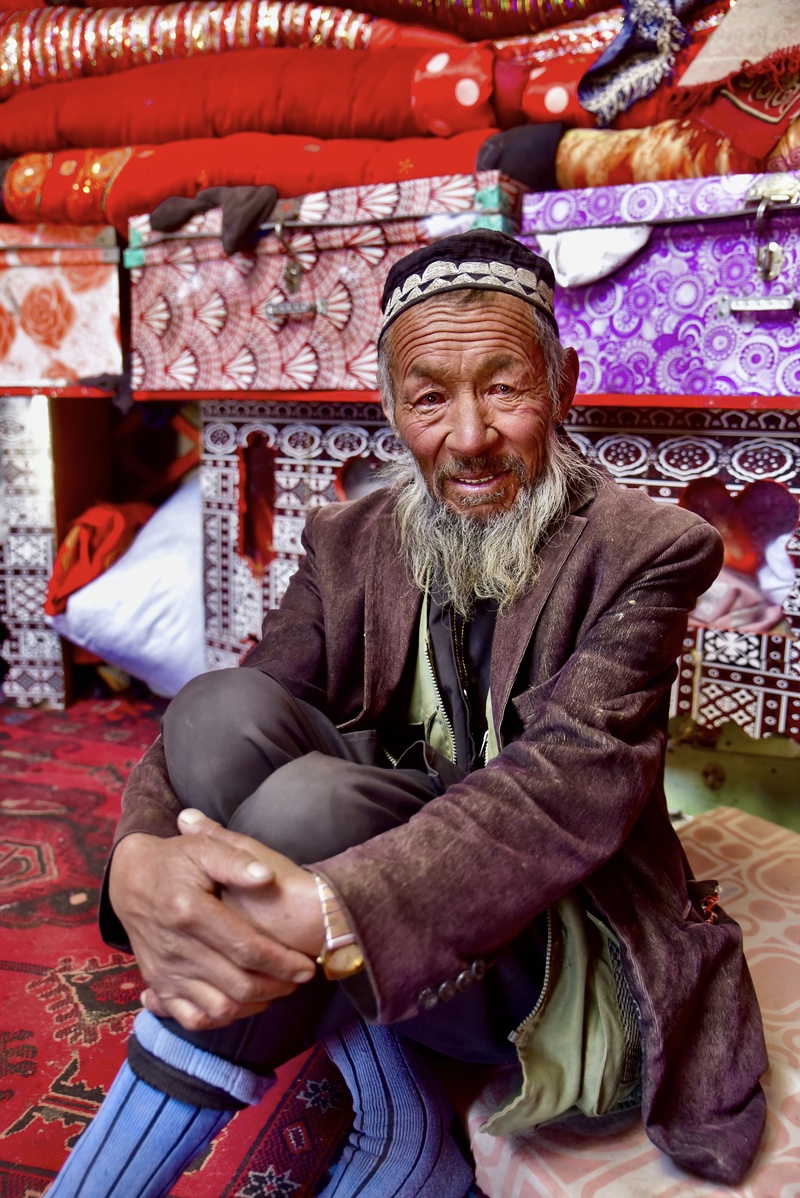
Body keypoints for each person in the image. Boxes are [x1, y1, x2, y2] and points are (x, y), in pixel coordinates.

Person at [48, 230, 766, 1197]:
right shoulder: (353, 539)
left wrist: (323, 900)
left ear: (565, 382)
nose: (468, 436)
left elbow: (561, 794)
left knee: (306, 816)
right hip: (408, 892)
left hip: (564, 940)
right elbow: (256, 697)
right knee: (217, 713)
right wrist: (137, 861)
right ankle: (402, 1117)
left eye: (504, 388)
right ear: (391, 409)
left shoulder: (647, 551)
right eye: (430, 397)